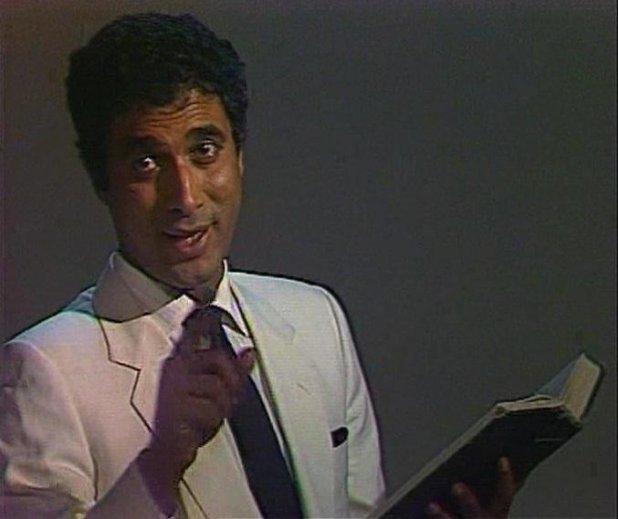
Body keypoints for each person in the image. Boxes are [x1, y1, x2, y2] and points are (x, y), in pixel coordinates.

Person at [0, 12, 515, 519]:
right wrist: (159, 467)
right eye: (146, 163)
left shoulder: (316, 318)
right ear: (102, 180)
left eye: (205, 150)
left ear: (239, 156)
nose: (185, 197)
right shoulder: (45, 370)